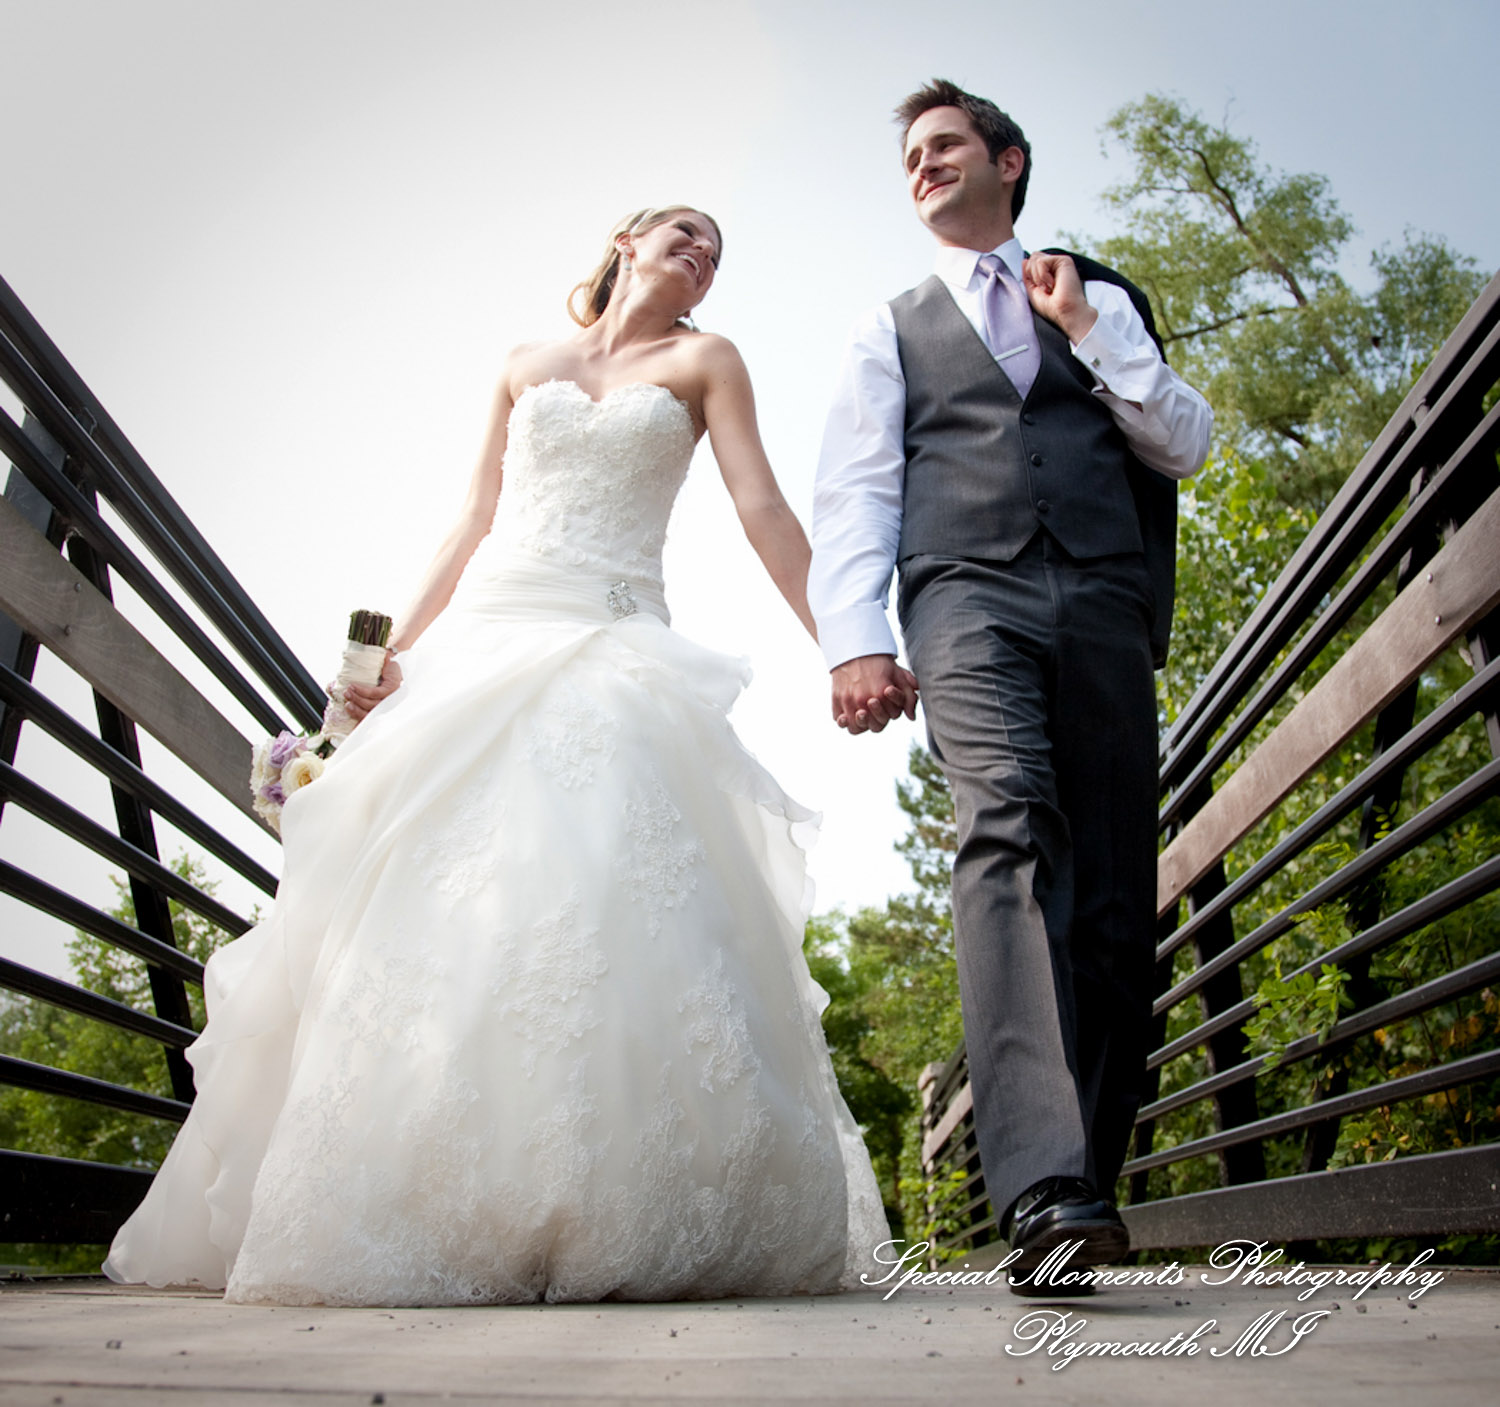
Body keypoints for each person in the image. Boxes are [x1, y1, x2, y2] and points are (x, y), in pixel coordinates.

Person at [105, 206, 889, 1306]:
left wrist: (846, 644)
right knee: (447, 893)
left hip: (617, 639)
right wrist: (383, 655)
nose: (701, 249)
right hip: (494, 629)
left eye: (716, 249)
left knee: (609, 888)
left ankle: (611, 1199)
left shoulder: (708, 361)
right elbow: (470, 518)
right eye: (682, 229)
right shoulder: (524, 363)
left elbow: (761, 506)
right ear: (626, 239)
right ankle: (430, 1197)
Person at [809, 81, 1211, 1289]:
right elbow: (857, 488)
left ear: (1009, 160)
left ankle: (1086, 1185)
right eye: (911, 158)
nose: (924, 167)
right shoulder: (889, 327)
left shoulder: (1101, 297)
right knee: (1010, 828)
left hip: (1103, 596)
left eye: (945, 146)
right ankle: (1043, 1185)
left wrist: (1086, 328)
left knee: (1115, 890)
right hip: (964, 592)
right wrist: (855, 637)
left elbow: (1184, 443)